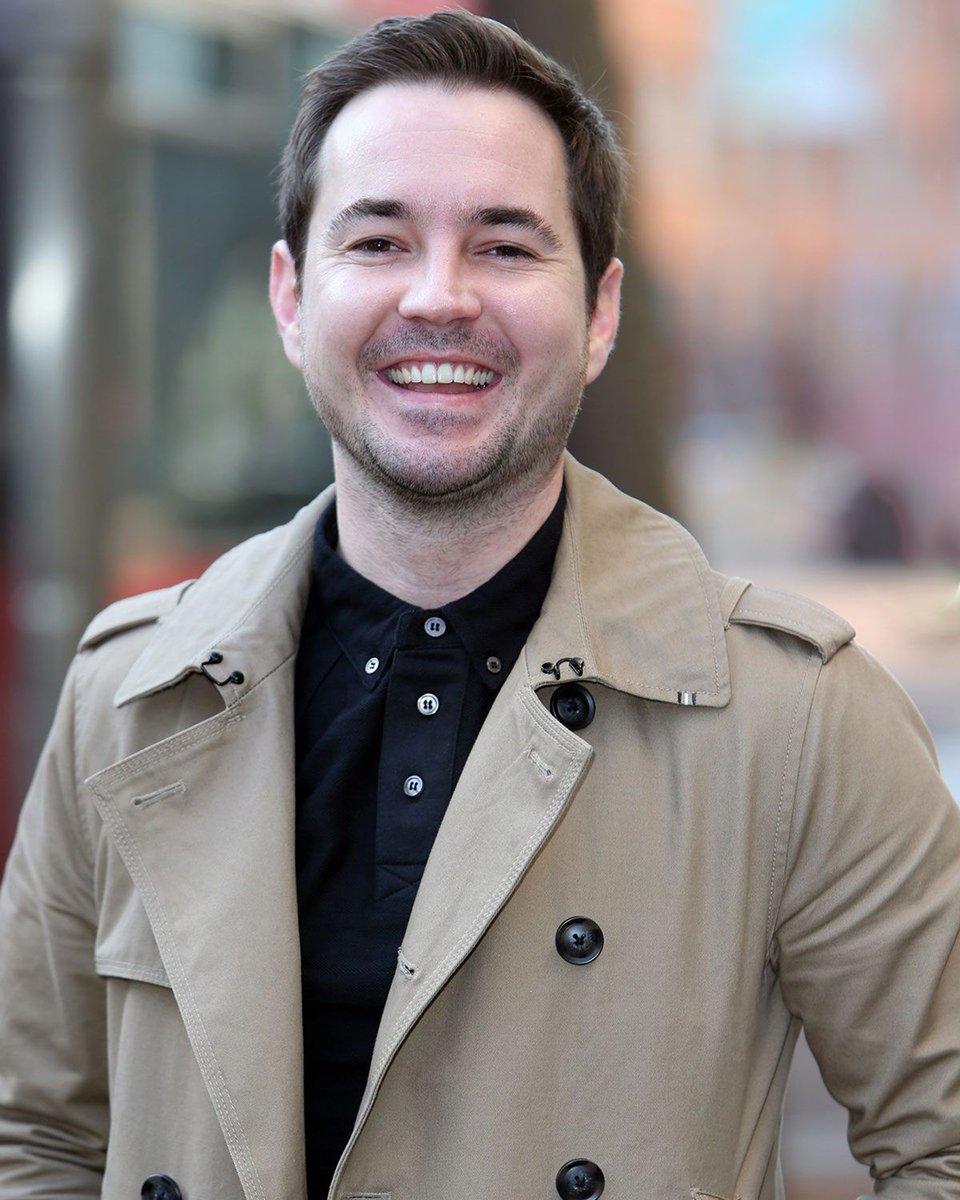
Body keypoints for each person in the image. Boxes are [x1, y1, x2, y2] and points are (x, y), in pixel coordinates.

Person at [1, 11, 959, 1200]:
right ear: (293, 298)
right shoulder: (127, 699)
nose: (439, 298)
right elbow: (32, 1139)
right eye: (381, 240)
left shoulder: (802, 721)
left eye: (506, 247)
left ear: (601, 313)